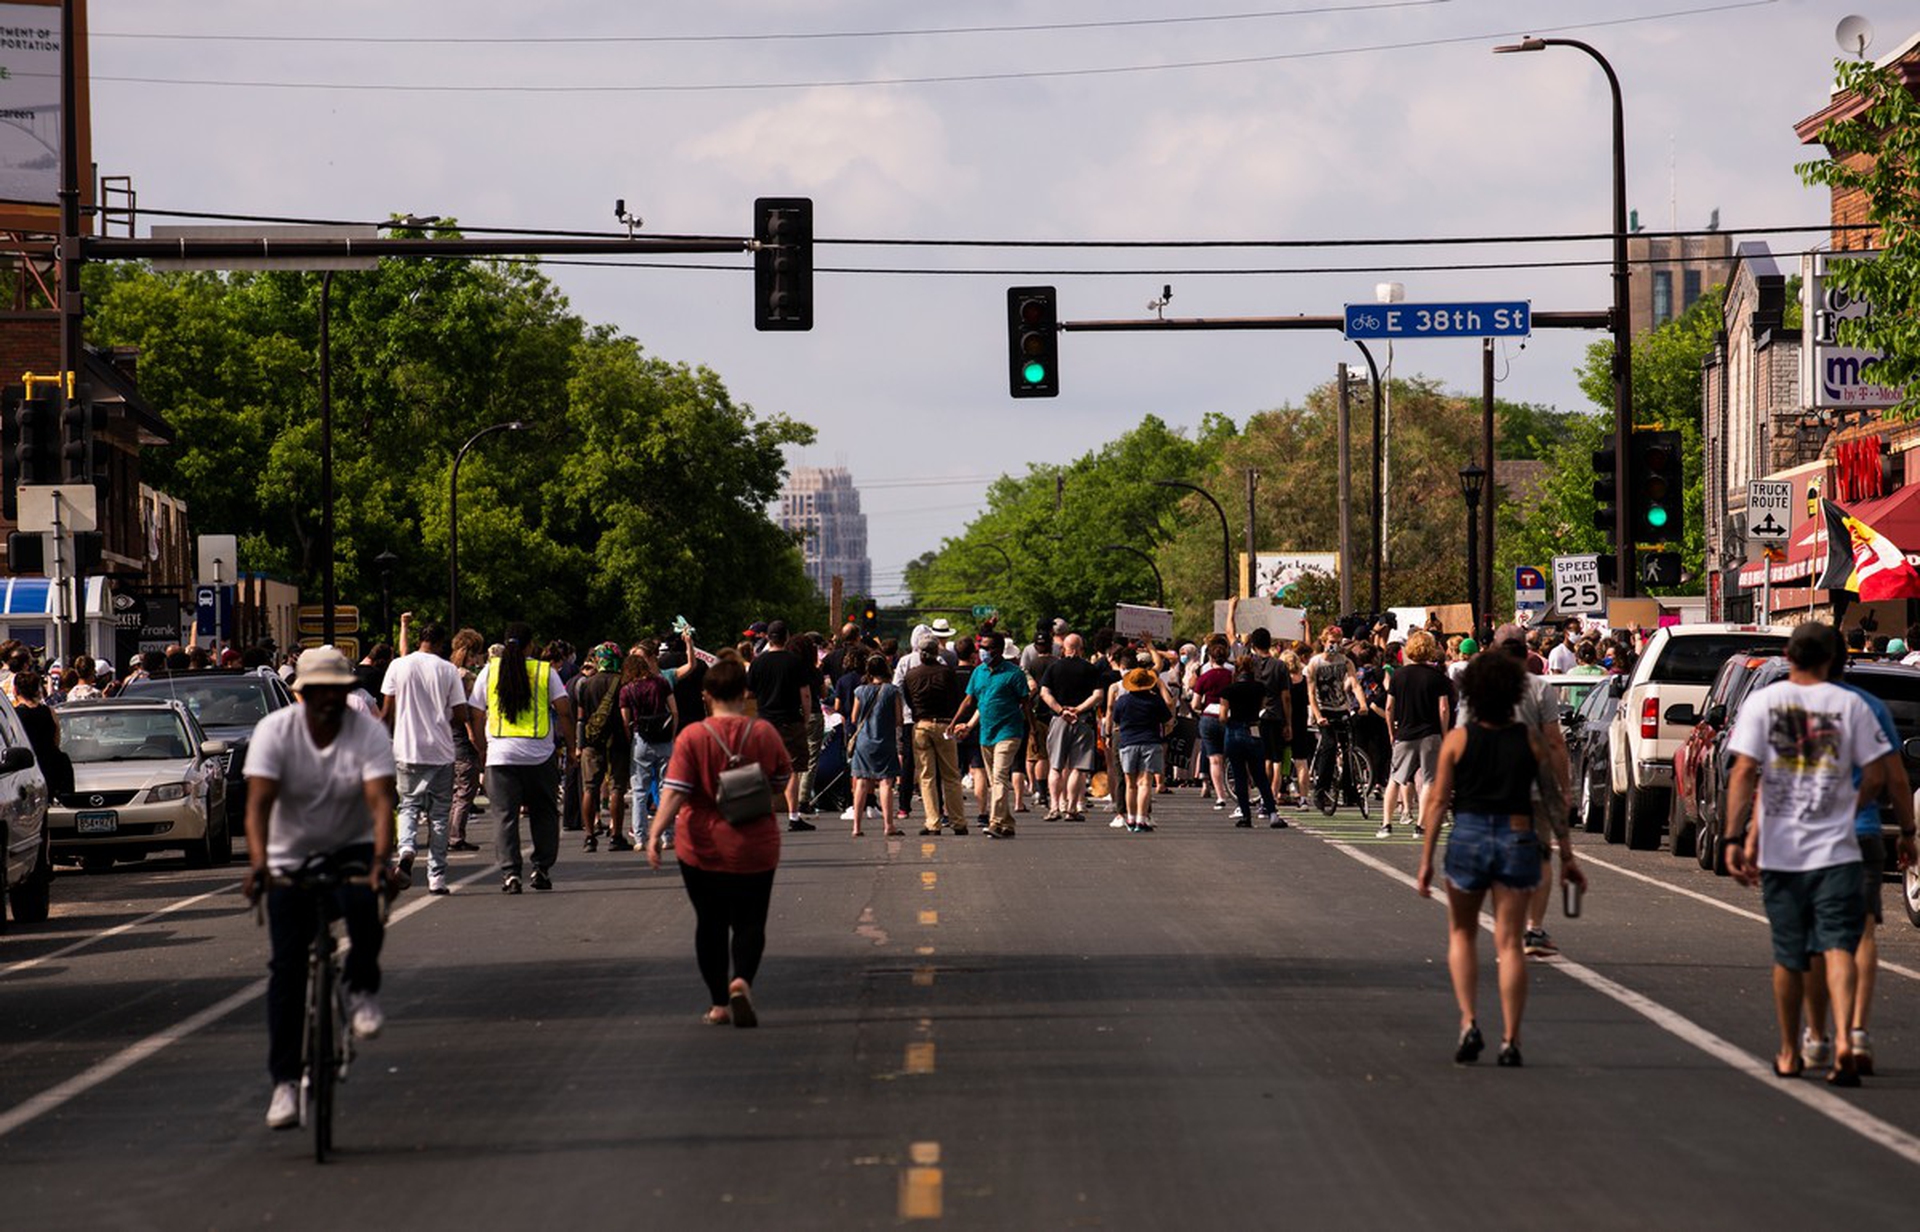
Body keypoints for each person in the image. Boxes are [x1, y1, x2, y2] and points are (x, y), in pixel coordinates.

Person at [1724, 621, 1901, 1085]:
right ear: (1834, 659)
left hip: (1783, 852)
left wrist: (1733, 837)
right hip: (1838, 849)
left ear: (1789, 653)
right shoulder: (1852, 705)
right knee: (1839, 944)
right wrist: (1849, 805)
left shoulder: (1763, 703)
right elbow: (1881, 774)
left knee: (1790, 955)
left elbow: (1744, 772)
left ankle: (1789, 1049)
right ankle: (1845, 1037)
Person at [241, 645, 398, 1129]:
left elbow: (379, 803)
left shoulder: (366, 733)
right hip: (289, 856)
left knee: (364, 902)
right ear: (301, 693)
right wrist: (260, 864)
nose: (329, 699)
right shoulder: (275, 732)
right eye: (319, 691)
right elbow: (259, 806)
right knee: (286, 970)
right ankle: (285, 1083)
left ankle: (360, 988)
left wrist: (379, 860)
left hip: (350, 847)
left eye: (338, 690)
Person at [1415, 649, 1583, 1068]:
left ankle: (1469, 1021)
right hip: (1517, 835)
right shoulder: (1529, 740)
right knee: (1509, 943)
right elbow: (1549, 798)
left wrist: (1426, 859)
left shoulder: (1458, 739)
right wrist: (1567, 854)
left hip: (1469, 835)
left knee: (1462, 935)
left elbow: (1437, 801)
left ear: (1470, 694)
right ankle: (1511, 1039)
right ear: (1513, 694)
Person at [645, 657, 790, 1028]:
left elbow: (675, 793)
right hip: (756, 844)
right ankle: (741, 980)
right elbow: (782, 778)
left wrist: (655, 833)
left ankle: (719, 1004)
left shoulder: (692, 737)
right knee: (750, 921)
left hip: (701, 845)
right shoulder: (764, 734)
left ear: (706, 696)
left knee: (709, 923)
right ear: (745, 693)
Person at [1801, 642, 1917, 1075]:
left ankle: (1817, 1036)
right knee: (1863, 935)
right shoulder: (1869, 707)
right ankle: (1856, 1033)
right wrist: (1907, 832)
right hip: (1864, 834)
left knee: (1817, 938)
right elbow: (1895, 777)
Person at [467, 622, 575, 894]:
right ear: (530, 645)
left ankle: (511, 874)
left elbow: (476, 712)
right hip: (539, 754)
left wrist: (481, 746)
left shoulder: (489, 672)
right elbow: (564, 710)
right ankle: (541, 869)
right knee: (545, 814)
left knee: (505, 817)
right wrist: (572, 746)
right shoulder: (544, 671)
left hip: (501, 755)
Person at [379, 617, 473, 894]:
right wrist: (442, 719)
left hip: (406, 749)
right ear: (442, 643)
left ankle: (407, 849)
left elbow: (386, 712)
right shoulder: (447, 670)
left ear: (421, 639)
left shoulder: (398, 665)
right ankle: (437, 877)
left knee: (408, 806)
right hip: (441, 751)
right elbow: (460, 713)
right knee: (440, 815)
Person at [948, 631, 1029, 839]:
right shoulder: (978, 673)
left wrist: (1035, 730)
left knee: (1000, 777)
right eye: (981, 647)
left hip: (1009, 732)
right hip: (986, 733)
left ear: (1000, 650)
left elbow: (1025, 704)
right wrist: (958, 722)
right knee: (995, 781)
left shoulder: (1014, 674)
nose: (984, 651)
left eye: (988, 647)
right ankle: (1007, 823)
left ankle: (995, 822)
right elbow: (973, 702)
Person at [745, 620, 816, 832]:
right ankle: (794, 816)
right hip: (790, 720)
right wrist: (805, 717)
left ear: (768, 637)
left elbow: (748, 693)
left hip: (765, 721)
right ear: (786, 637)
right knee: (792, 768)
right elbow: (805, 693)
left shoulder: (758, 663)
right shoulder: (795, 662)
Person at [1384, 630, 1454, 839]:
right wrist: (1444, 734)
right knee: (1430, 780)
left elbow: (1389, 707)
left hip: (1405, 732)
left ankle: (1386, 823)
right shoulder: (1437, 677)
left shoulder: (1398, 675)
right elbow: (1443, 708)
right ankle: (1421, 826)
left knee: (1395, 779)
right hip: (1430, 733)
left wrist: (1392, 731)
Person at [903, 636, 966, 836]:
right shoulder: (947, 673)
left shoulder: (911, 675)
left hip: (921, 725)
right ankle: (958, 821)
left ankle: (933, 822)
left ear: (920, 654)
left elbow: (909, 701)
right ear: (937, 652)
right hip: (945, 725)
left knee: (926, 776)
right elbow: (957, 697)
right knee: (951, 776)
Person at [571, 644, 630, 852]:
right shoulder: (623, 682)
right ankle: (616, 836)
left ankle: (589, 837)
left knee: (590, 788)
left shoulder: (584, 684)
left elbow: (580, 718)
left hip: (591, 743)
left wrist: (579, 745)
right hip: (618, 742)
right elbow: (626, 717)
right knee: (616, 789)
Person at [1039, 634, 1103, 822]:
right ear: (1081, 649)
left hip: (1059, 720)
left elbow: (1044, 693)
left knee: (1056, 766)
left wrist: (1061, 710)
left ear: (1064, 649)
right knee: (1078, 767)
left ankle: (1054, 807)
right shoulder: (1090, 669)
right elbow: (1098, 695)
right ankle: (1072, 808)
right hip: (1082, 720)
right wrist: (1079, 709)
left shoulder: (1054, 668)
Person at [621, 644, 680, 849]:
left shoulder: (627, 690)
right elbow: (674, 711)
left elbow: (625, 719)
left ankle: (640, 838)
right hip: (664, 739)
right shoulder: (662, 683)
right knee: (665, 788)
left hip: (641, 739)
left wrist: (632, 737)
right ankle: (668, 836)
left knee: (639, 790)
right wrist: (671, 733)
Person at [1307, 628, 1366, 810]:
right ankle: (1321, 790)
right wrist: (1318, 716)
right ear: (1324, 641)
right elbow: (1310, 692)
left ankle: (1350, 792)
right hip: (1324, 709)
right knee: (1330, 746)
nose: (1335, 645)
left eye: (1338, 641)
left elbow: (1355, 684)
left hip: (1341, 707)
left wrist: (1362, 704)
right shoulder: (1315, 663)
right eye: (1331, 641)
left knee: (1348, 749)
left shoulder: (1345, 661)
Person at [847, 654, 905, 837]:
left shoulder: (860, 691)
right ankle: (889, 825)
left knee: (862, 782)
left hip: (864, 742)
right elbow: (899, 719)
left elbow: (855, 718)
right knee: (886, 782)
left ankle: (856, 827)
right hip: (885, 742)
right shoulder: (892, 691)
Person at [1220, 655, 1280, 827]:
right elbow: (1261, 707)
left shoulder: (1229, 690)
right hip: (1253, 729)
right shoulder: (1260, 688)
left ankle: (1245, 815)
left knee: (1239, 776)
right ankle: (1272, 813)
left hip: (1234, 731)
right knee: (1260, 775)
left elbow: (1223, 717)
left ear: (1236, 670)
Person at [1110, 666, 1170, 833]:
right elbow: (1166, 718)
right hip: (1150, 742)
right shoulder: (1155, 700)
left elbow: (1116, 720)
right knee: (1145, 782)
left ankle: (1130, 818)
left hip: (1128, 743)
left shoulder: (1122, 701)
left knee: (1130, 784)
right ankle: (1142, 819)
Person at [447, 628, 487, 852]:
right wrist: (478, 742)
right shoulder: (467, 677)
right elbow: (469, 713)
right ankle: (456, 836)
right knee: (465, 789)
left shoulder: (448, 672)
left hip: (446, 736)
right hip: (463, 737)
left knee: (454, 790)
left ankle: (450, 833)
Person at [1188, 638, 1235, 811]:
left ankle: (1220, 796)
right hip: (1228, 716)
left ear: (1210, 658)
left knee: (1214, 760)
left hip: (1209, 717)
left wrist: (1203, 708)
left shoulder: (1204, 677)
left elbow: (1195, 704)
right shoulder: (1232, 675)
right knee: (1232, 757)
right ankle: (1236, 790)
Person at [12, 670, 71, 800]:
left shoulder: (14, 717)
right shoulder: (48, 712)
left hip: (25, 771)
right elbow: (56, 739)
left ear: (15, 691)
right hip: (50, 768)